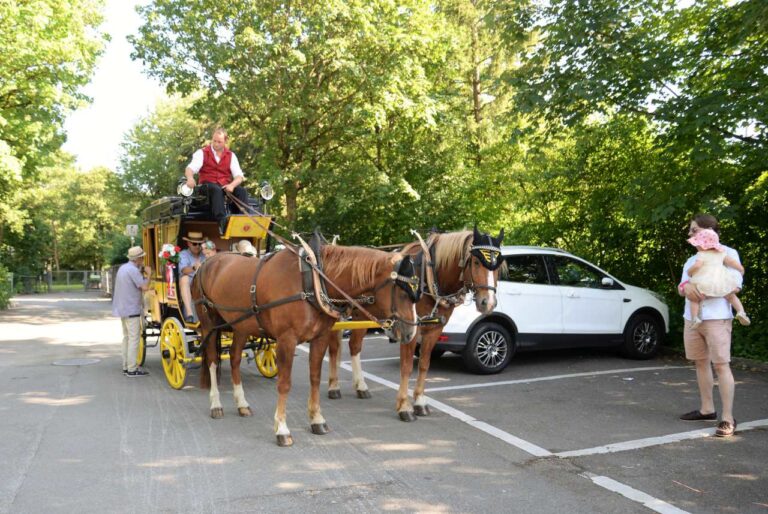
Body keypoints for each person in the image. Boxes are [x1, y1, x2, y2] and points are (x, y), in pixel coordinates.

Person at [678, 214, 741, 437]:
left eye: (693, 230)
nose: (689, 234)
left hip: (717, 318)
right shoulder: (694, 258)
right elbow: (682, 285)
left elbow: (735, 286)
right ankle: (707, 409)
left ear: (707, 231)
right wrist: (687, 289)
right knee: (700, 362)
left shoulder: (727, 253)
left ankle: (727, 417)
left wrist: (703, 290)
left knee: (722, 365)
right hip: (693, 318)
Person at [184, 127, 250, 235]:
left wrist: (232, 185)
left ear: (225, 141)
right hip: (207, 187)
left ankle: (244, 221)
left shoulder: (231, 156)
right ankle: (222, 223)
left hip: (224, 186)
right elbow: (190, 168)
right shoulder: (202, 153)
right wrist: (190, 178)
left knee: (241, 191)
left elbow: (239, 176)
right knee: (216, 189)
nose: (216, 144)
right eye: (214, 141)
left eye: (219, 142)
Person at [685, 228, 749, 329]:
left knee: (694, 300)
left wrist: (689, 271)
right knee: (731, 296)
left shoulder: (701, 254)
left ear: (702, 245)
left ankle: (695, 318)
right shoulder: (721, 253)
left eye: (697, 245)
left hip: (704, 283)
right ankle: (741, 311)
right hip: (721, 282)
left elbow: (697, 266)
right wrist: (741, 268)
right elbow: (732, 262)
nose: (696, 247)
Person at [112, 246, 151, 377]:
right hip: (131, 308)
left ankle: (126, 366)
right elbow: (144, 287)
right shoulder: (133, 271)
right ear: (138, 259)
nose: (143, 260)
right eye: (142, 258)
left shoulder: (123, 268)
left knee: (127, 338)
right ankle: (132, 369)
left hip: (122, 309)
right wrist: (149, 275)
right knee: (134, 340)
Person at [179, 231, 206, 323]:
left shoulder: (205, 254)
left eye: (200, 244)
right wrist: (194, 267)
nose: (197, 246)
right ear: (189, 244)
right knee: (184, 278)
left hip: (204, 280)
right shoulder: (183, 254)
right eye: (195, 244)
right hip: (190, 281)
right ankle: (189, 313)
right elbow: (184, 270)